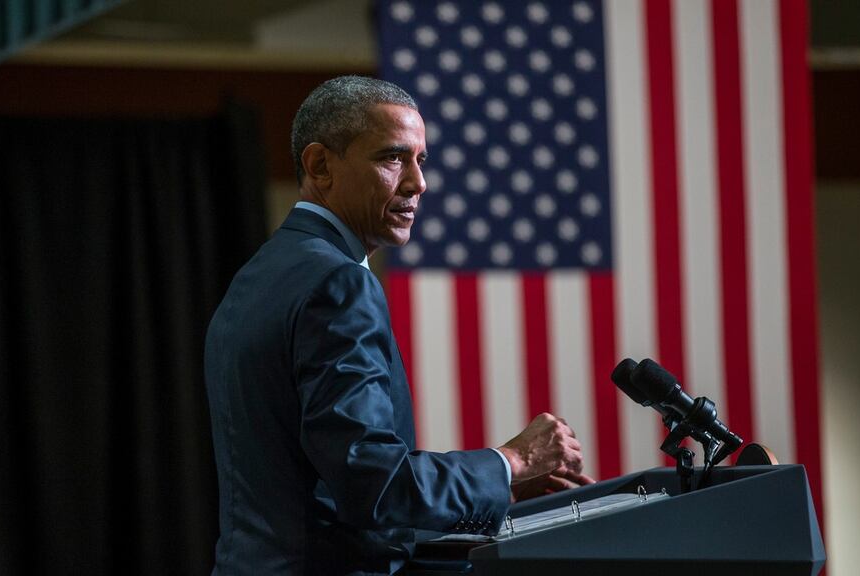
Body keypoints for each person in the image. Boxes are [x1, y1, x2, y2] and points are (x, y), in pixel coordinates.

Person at [204, 75, 594, 575]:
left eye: (420, 159)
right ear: (320, 165)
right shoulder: (337, 283)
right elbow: (373, 484)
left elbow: (322, 489)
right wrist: (509, 461)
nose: (418, 182)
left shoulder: (260, 275)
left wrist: (495, 489)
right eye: (392, 158)